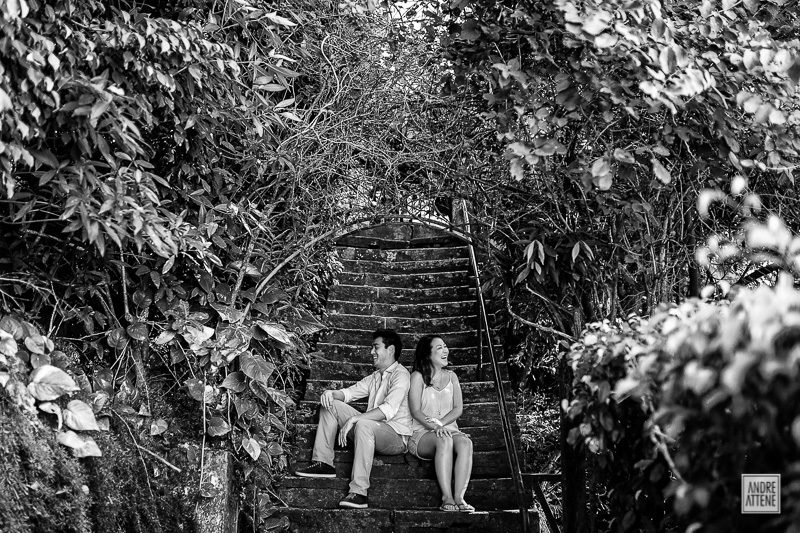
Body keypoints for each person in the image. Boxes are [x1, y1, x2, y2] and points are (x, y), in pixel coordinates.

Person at [294, 329, 412, 509]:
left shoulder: (401, 375)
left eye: (376, 347)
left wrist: (354, 419)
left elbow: (388, 410)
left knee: (363, 423)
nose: (372, 352)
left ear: (390, 349)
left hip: (396, 436)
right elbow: (348, 393)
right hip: (370, 429)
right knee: (330, 403)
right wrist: (330, 393)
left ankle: (359, 492)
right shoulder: (375, 376)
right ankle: (323, 463)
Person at [408, 335, 475, 513]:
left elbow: (457, 408)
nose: (445, 350)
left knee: (466, 443)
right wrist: (435, 427)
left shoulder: (452, 376)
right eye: (439, 348)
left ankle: (460, 497)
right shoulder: (417, 377)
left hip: (448, 430)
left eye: (445, 346)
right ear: (428, 354)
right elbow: (415, 411)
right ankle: (447, 497)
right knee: (444, 441)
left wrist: (441, 424)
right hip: (422, 434)